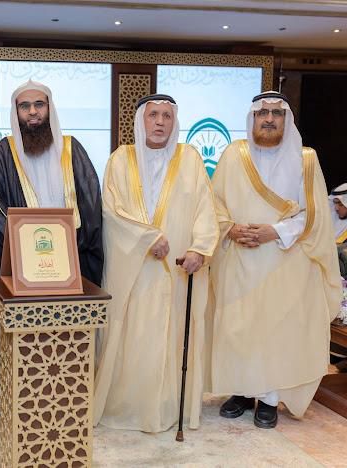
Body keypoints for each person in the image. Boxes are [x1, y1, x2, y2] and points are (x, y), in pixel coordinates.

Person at [210, 91, 342, 429]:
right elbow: (214, 203)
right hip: (240, 258)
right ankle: (242, 391)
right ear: (253, 118)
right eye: (263, 113)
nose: (269, 119)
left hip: (285, 259)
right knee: (239, 328)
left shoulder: (305, 159)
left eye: (276, 113)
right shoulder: (233, 155)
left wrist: (275, 231)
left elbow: (314, 214)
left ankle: (268, 397)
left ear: (287, 119)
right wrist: (231, 228)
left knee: (275, 331)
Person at [93, 94, 219, 432]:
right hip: (133, 269)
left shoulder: (190, 159)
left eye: (166, 115)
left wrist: (199, 249)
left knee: (171, 336)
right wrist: (146, 238)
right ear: (141, 120)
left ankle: (166, 408)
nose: (160, 122)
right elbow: (111, 211)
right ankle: (128, 406)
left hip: (178, 268)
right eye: (153, 115)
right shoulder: (121, 159)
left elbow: (206, 211)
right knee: (132, 336)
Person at [0, 80, 104, 402]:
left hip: (70, 268)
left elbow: (90, 202)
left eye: (39, 105)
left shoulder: (72, 149)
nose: (32, 112)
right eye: (25, 106)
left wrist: (73, 249)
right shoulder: (2, 154)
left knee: (64, 339)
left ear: (50, 108)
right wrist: (25, 250)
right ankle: (19, 396)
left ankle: (67, 394)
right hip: (21, 272)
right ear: (16, 112)